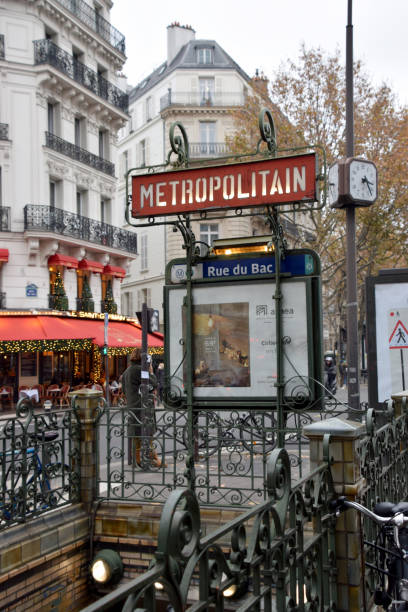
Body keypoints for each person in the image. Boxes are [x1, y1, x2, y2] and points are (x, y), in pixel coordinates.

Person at [121, 348, 165, 468]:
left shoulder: (127, 371)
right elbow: (154, 383)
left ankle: (140, 459)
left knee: (136, 435)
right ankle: (147, 459)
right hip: (142, 407)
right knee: (147, 433)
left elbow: (124, 390)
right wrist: (151, 372)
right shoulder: (141, 370)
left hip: (132, 407)